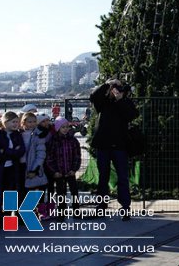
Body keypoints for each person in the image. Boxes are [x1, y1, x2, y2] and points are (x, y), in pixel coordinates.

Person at [89, 78, 139, 221]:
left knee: (123, 177)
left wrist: (120, 99)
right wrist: (107, 83)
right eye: (113, 88)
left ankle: (125, 207)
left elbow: (132, 115)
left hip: (120, 146)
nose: (115, 90)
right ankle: (101, 206)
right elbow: (93, 97)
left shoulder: (125, 102)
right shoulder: (103, 103)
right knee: (103, 178)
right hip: (103, 145)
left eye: (118, 88)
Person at [0, 112, 25, 229]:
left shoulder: (17, 135)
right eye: (13, 122)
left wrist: (5, 151)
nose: (16, 124)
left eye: (17, 122)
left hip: (12, 169)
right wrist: (12, 151)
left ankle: (9, 222)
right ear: (5, 122)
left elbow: (21, 151)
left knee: (11, 194)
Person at [46, 118, 81, 219]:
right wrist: (55, 171)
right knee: (61, 193)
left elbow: (77, 156)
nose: (65, 129)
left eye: (67, 127)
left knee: (74, 191)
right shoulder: (53, 141)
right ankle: (61, 212)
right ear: (58, 128)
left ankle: (76, 211)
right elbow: (49, 158)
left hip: (70, 172)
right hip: (59, 172)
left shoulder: (73, 140)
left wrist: (74, 169)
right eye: (63, 127)